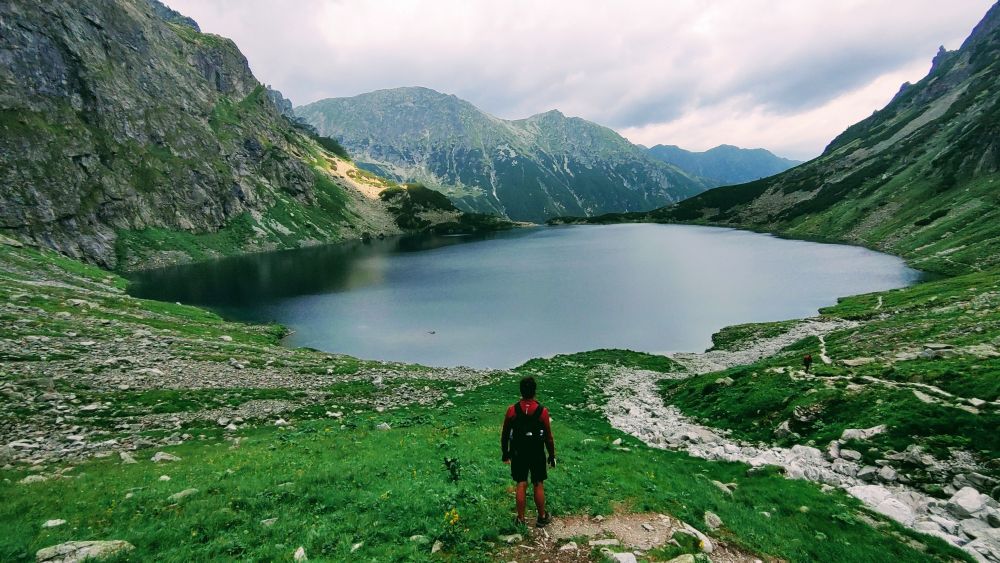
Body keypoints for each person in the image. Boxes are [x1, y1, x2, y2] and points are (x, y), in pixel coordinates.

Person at [501, 376, 556, 527]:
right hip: (536, 451)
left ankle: (520, 519)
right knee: (538, 483)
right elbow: (549, 438)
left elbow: (505, 434)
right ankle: (542, 517)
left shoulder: (512, 410)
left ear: (521, 391)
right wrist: (551, 456)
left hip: (518, 451)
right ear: (534, 391)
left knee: (521, 483)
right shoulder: (542, 411)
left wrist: (505, 453)